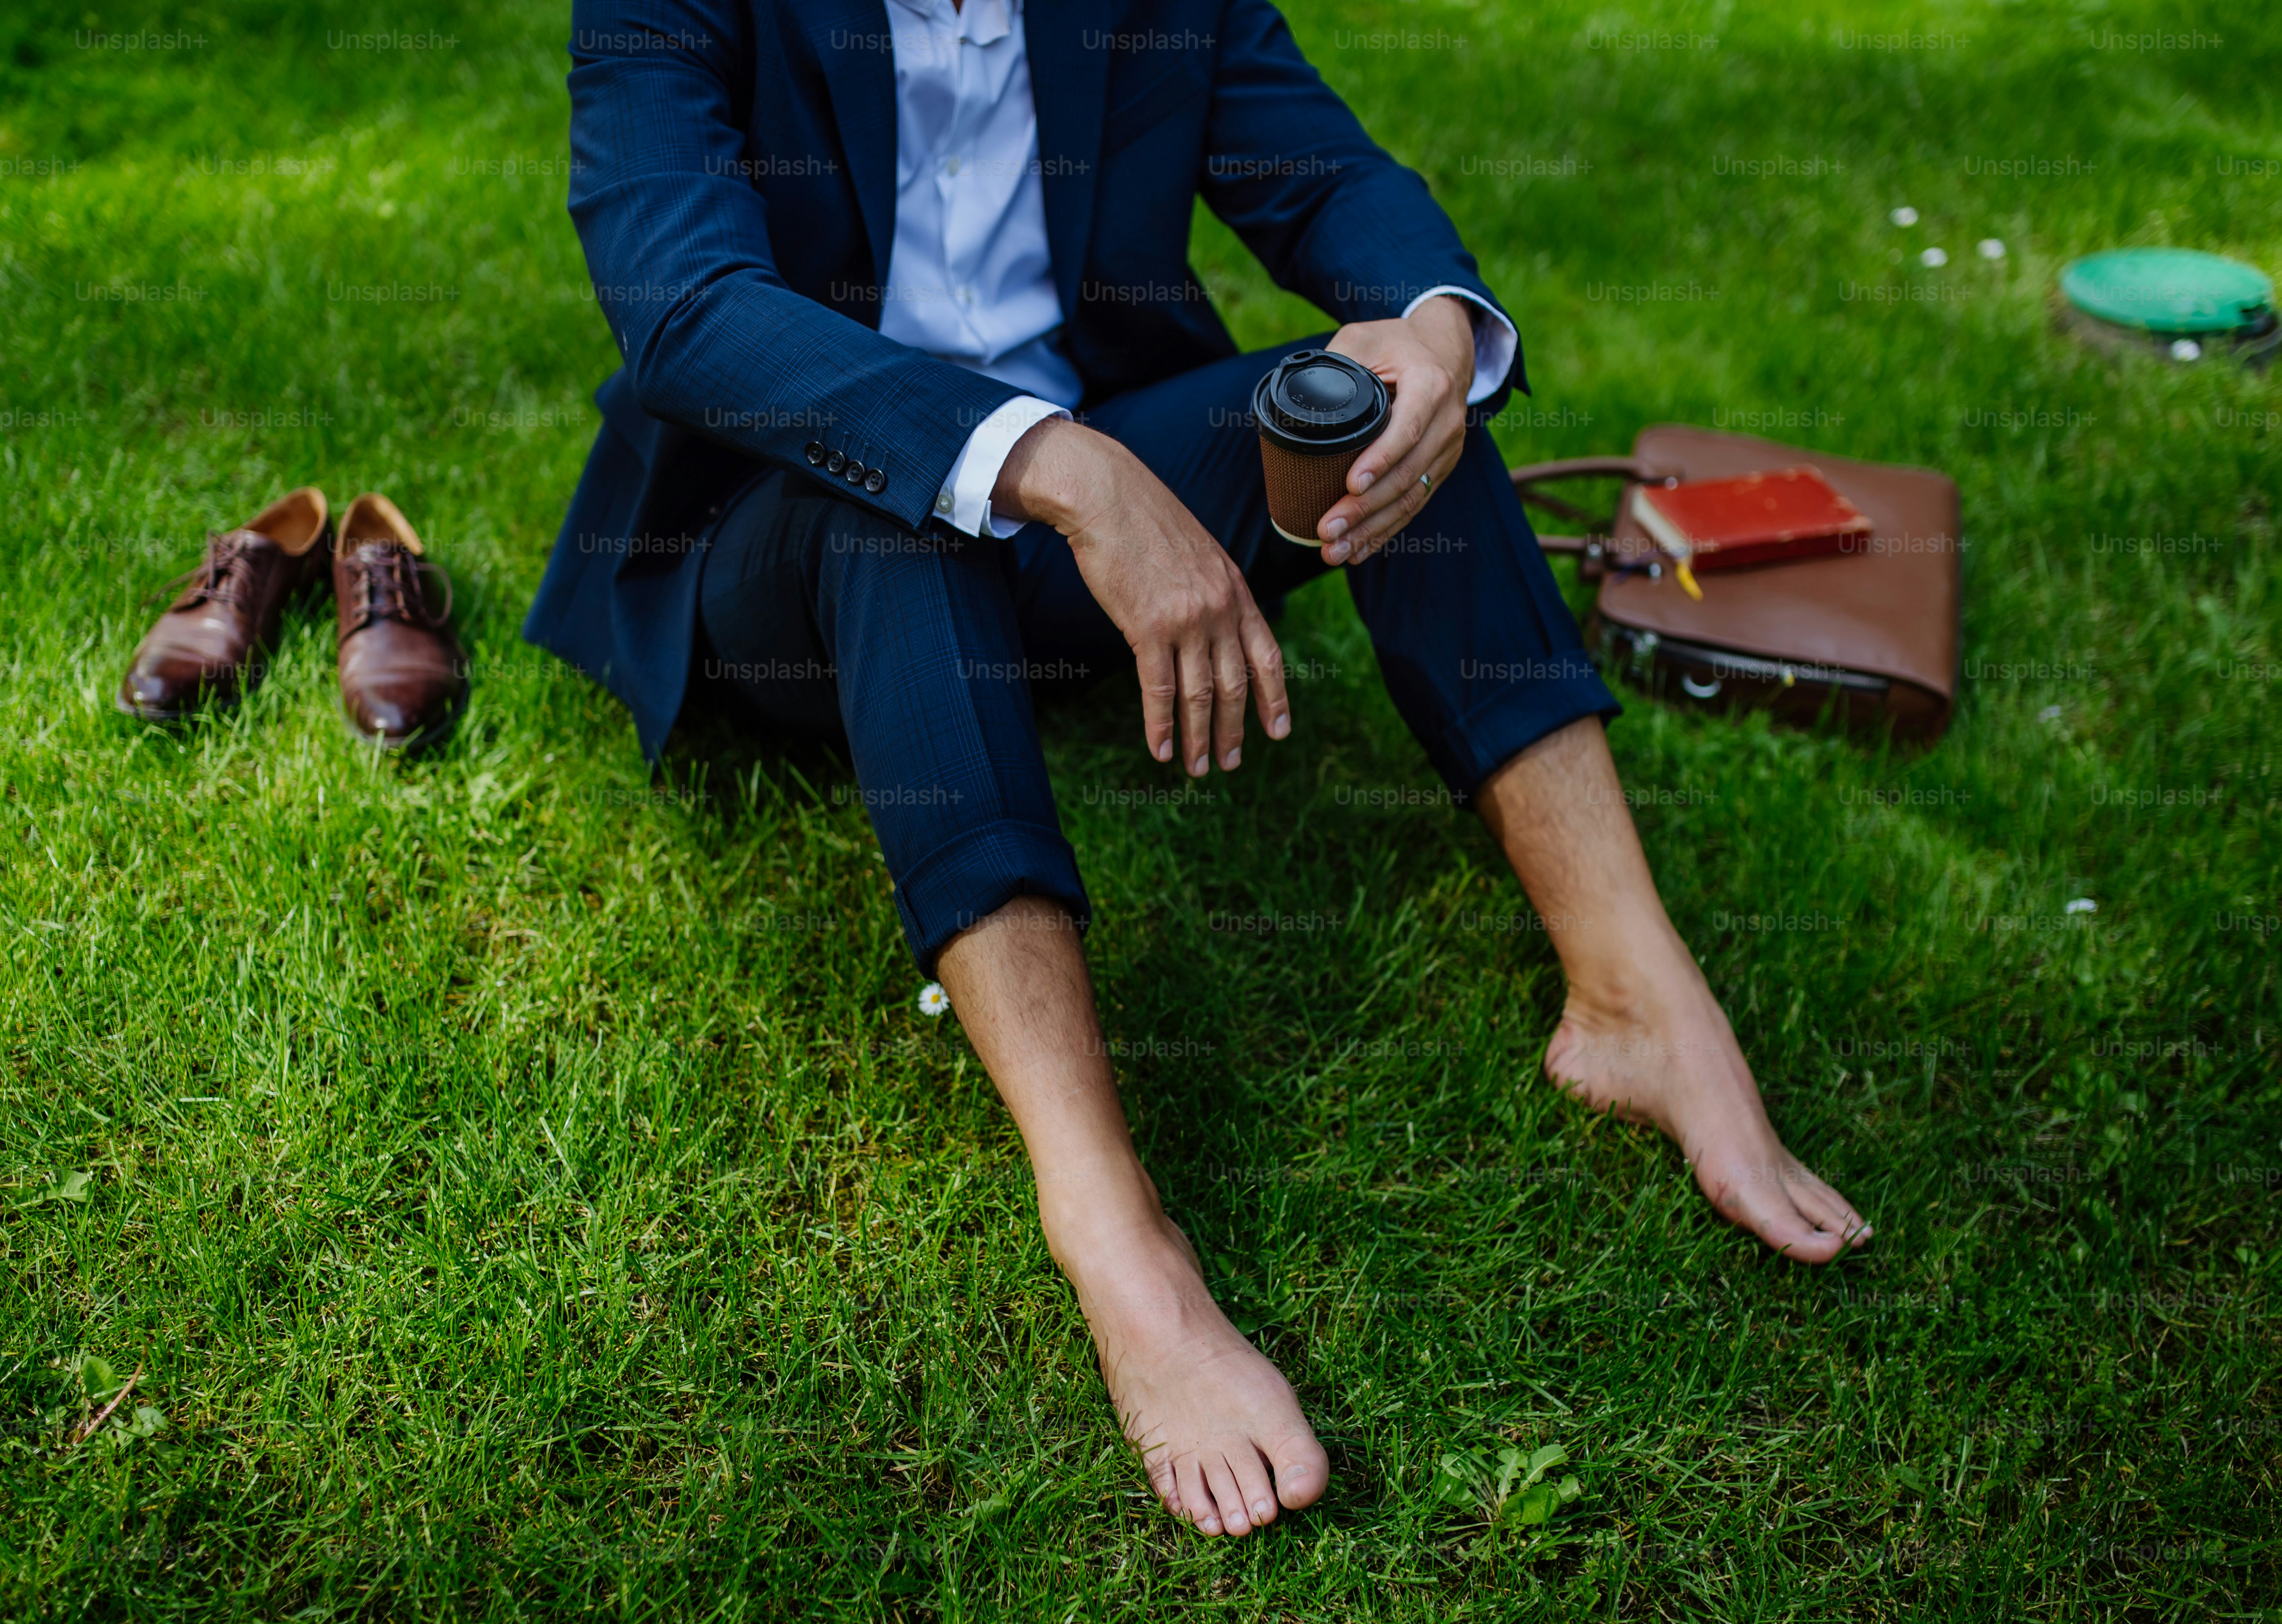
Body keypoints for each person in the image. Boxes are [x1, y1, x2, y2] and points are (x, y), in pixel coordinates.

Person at [524, 0, 1872, 1539]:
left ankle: (1633, 992)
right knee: (906, 520)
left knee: (1385, 411)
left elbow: (1330, 178)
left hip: (1088, 507)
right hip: (793, 549)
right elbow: (690, 308)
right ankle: (1113, 1229)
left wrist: (1434, 329)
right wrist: (1063, 467)